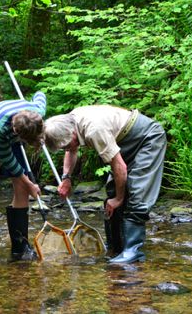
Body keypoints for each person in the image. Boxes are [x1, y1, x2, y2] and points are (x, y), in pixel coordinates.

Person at [44, 105, 166, 263]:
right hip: (124, 141)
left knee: (137, 192)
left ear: (72, 133)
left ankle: (132, 251)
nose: (67, 149)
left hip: (147, 138)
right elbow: (71, 150)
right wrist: (66, 177)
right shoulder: (68, 123)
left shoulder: (94, 130)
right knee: (111, 191)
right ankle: (115, 245)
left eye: (66, 145)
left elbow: (120, 167)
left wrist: (119, 198)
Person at [0, 91, 46, 261]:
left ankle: (20, 248)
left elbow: (40, 94)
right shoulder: (1, 128)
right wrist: (30, 184)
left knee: (21, 187)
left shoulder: (37, 113)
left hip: (16, 131)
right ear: (16, 133)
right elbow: (8, 161)